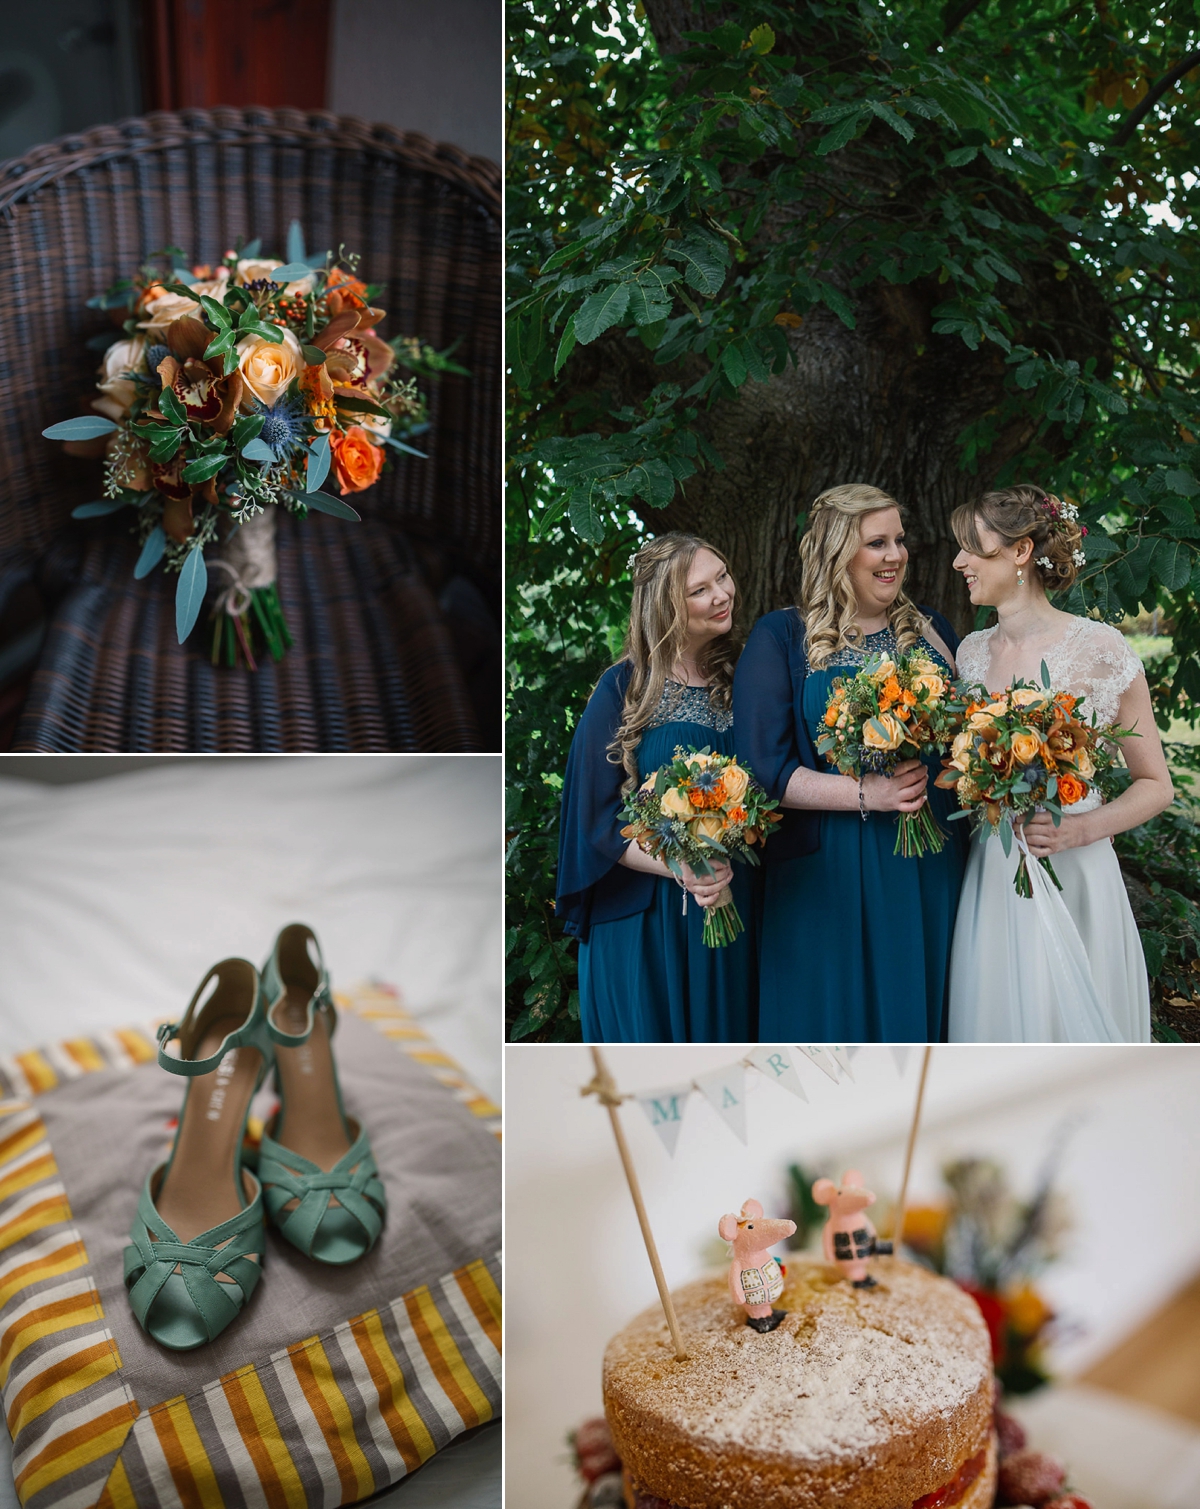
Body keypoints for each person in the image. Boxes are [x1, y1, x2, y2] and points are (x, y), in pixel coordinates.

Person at [733, 483, 965, 1040]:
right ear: (837, 552)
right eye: (876, 544)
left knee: (916, 1003)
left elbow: (966, 740)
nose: (895, 556)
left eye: (899, 541)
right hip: (823, 869)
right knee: (826, 1020)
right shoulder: (782, 636)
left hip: (926, 860)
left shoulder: (931, 631)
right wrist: (866, 794)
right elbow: (762, 769)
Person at [947, 485, 1172, 1041]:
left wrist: (1079, 830)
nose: (959, 562)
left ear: (1020, 551)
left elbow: (1155, 785)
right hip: (994, 870)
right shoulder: (970, 654)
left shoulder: (1101, 649)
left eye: (972, 548)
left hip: (1077, 868)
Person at [556, 533, 757, 1041]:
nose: (721, 594)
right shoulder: (624, 688)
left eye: (723, 577)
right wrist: (681, 865)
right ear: (664, 605)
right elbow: (594, 821)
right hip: (646, 917)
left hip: (733, 903)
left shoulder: (745, 680)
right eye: (699, 590)